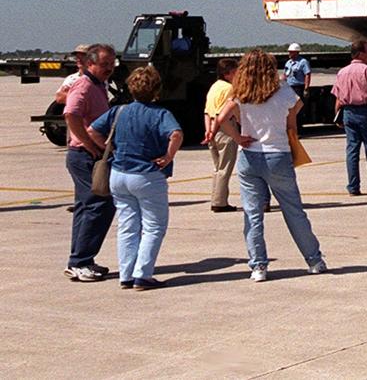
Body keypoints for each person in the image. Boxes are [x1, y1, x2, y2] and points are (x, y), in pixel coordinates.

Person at [209, 49, 326, 282]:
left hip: (249, 156)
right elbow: (294, 115)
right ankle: (314, 260)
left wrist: (239, 137)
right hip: (277, 154)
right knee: (293, 210)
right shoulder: (283, 90)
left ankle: (258, 266)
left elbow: (220, 119)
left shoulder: (240, 92)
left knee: (252, 215)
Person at [86, 66, 182, 290]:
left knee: (127, 225)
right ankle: (143, 274)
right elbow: (176, 134)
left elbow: (92, 130)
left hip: (119, 174)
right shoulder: (160, 113)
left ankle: (126, 274)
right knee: (153, 226)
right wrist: (168, 156)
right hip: (146, 174)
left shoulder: (119, 111)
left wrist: (110, 148)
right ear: (156, 90)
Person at [62, 43, 117, 282]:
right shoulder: (84, 85)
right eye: (104, 64)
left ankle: (81, 259)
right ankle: (80, 261)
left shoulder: (99, 85)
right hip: (84, 155)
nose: (109, 68)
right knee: (99, 204)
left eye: (112, 64)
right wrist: (88, 143)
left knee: (86, 207)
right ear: (90, 63)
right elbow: (71, 114)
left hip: (89, 154)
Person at [331, 39, 367, 195]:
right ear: (361, 53)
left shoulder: (342, 72)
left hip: (348, 112)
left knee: (352, 150)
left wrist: (337, 114)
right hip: (366, 112)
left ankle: (353, 186)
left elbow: (338, 96)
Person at [204, 57, 239, 212]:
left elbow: (207, 111)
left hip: (212, 129)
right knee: (225, 168)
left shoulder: (214, 86)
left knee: (218, 168)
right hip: (224, 129)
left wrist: (209, 131)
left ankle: (216, 199)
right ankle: (220, 202)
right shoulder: (229, 89)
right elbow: (221, 114)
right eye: (236, 72)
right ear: (227, 74)